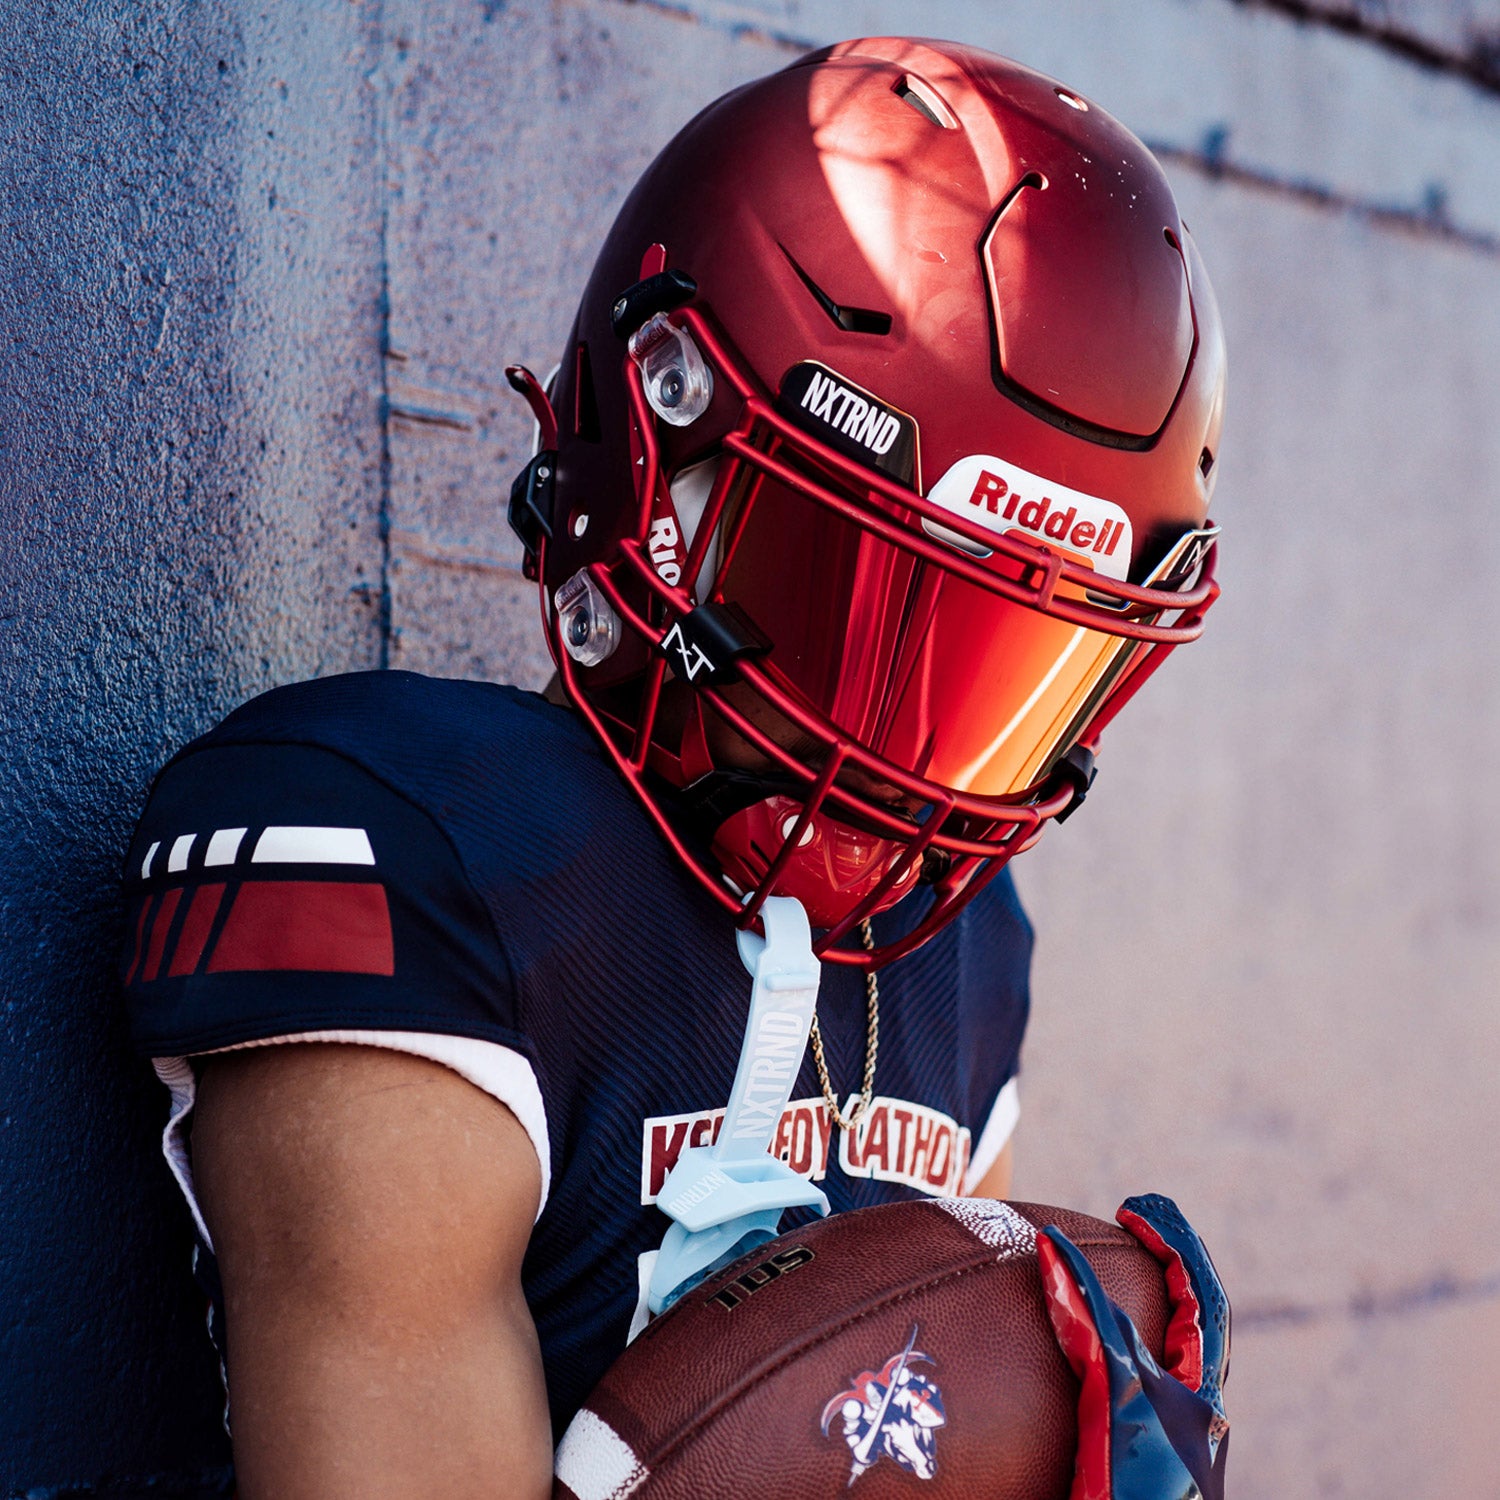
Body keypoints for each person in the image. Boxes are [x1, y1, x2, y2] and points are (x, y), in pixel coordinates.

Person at [120, 35, 1225, 1500]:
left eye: (1011, 662)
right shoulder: (412, 847)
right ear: (661, 441)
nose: (908, 757)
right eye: (849, 593)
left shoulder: (970, 951)